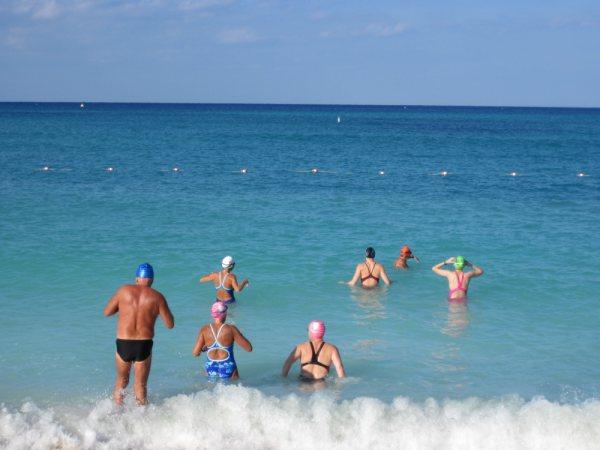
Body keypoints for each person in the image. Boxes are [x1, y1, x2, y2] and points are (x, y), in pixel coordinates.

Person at [103, 263, 174, 405]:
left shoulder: (123, 291)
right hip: (144, 344)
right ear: (152, 280)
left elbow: (107, 312)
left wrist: (123, 308)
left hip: (124, 342)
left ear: (136, 278)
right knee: (140, 386)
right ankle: (142, 415)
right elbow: (170, 324)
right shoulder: (158, 297)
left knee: (121, 382)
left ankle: (117, 413)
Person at [192, 302, 252, 379]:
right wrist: (239, 334)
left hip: (211, 366)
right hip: (227, 366)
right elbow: (249, 348)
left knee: (212, 386)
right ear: (224, 314)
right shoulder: (231, 329)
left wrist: (204, 349)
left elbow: (195, 353)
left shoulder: (204, 329)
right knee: (233, 386)